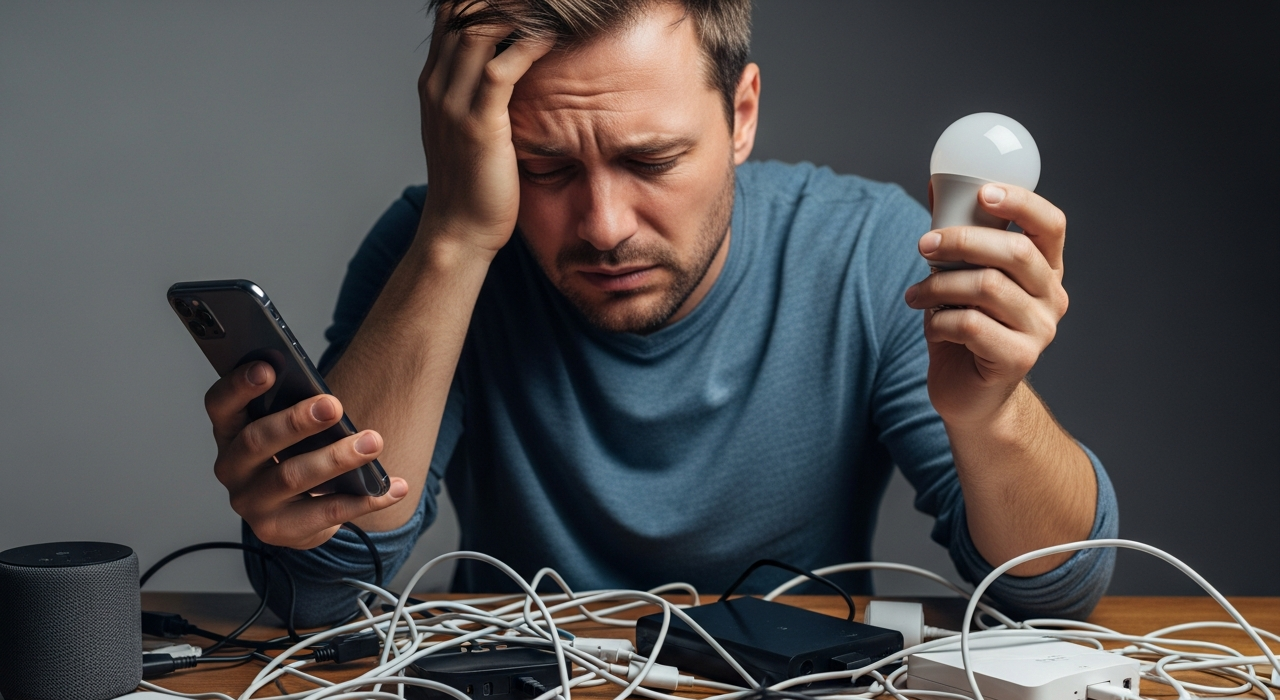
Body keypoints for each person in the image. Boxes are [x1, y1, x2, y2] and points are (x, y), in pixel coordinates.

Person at [202, 0, 1117, 627]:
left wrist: (991, 414)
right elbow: (319, 593)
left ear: (743, 114)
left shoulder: (871, 252)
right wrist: (453, 235)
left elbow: (1056, 594)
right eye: (546, 169)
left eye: (651, 162)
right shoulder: (437, 250)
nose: (603, 228)